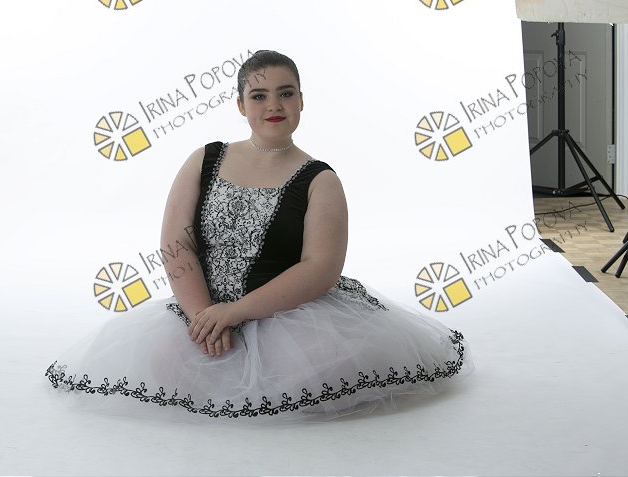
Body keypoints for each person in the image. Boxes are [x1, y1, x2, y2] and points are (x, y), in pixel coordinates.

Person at [46, 50, 472, 421]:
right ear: (240, 104)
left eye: (286, 93)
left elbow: (321, 268)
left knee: (306, 377)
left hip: (288, 316)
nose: (274, 105)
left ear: (301, 101)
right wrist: (204, 317)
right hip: (201, 307)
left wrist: (236, 312)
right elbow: (176, 245)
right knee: (156, 367)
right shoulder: (205, 159)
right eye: (259, 95)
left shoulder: (320, 179)